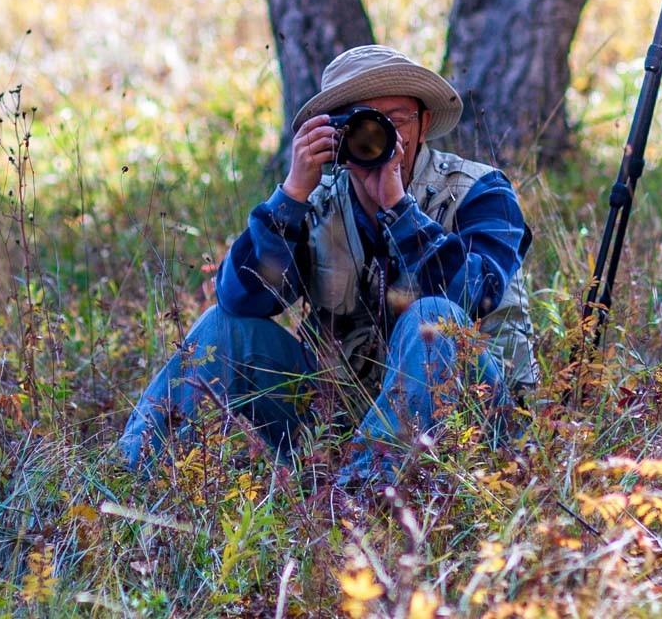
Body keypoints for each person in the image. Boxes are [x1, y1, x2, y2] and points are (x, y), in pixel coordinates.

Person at [119, 44, 536, 488]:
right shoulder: (316, 204)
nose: (383, 136)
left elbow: (478, 294)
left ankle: (357, 499)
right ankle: (129, 478)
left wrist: (398, 207)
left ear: (425, 123)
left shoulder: (480, 191)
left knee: (432, 319)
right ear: (335, 132)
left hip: (475, 418)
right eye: (364, 123)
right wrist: (291, 195)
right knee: (223, 326)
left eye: (396, 120)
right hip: (339, 419)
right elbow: (243, 299)